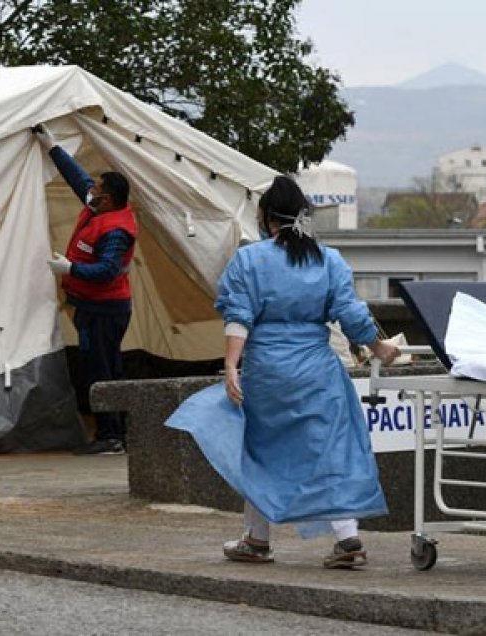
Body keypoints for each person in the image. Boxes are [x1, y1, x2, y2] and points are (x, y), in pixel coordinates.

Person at [170, 174, 399, 568]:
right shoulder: (328, 260)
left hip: (268, 369)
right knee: (331, 450)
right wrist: (380, 348)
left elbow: (238, 317)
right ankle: (348, 539)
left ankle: (257, 539)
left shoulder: (248, 259)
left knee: (259, 451)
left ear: (264, 217)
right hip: (318, 368)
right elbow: (350, 313)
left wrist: (230, 365)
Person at [34, 123, 136, 455]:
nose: (91, 191)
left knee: (102, 369)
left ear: (108, 199)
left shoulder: (117, 230)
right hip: (93, 306)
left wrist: (71, 269)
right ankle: (115, 432)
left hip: (105, 310)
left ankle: (111, 436)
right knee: (102, 366)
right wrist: (53, 148)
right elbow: (79, 178)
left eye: (98, 190)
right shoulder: (100, 206)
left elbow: (107, 270)